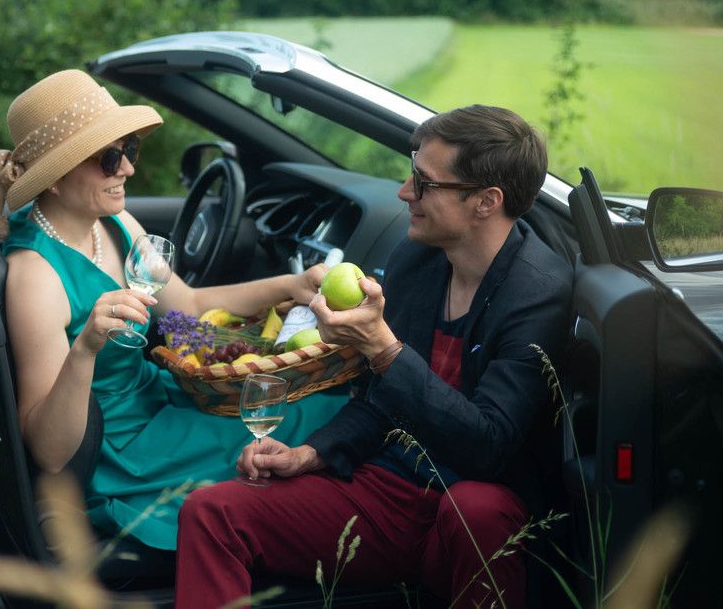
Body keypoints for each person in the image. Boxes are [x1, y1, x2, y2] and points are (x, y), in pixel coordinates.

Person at [175, 105, 574, 608]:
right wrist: (311, 453)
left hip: (472, 509)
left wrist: (384, 348)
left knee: (479, 508)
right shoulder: (416, 259)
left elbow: (489, 447)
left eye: (424, 183)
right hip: (387, 490)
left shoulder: (537, 292)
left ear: (486, 201)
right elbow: (378, 401)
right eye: (411, 174)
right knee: (211, 513)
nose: (405, 192)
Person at [0, 69, 348, 551]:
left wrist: (292, 284)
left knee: (320, 405)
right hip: (125, 449)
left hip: (161, 396)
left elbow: (188, 304)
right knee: (308, 423)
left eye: (128, 150)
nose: (126, 169)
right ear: (56, 178)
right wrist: (85, 349)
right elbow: (50, 452)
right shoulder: (35, 276)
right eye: (108, 158)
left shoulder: (113, 219)